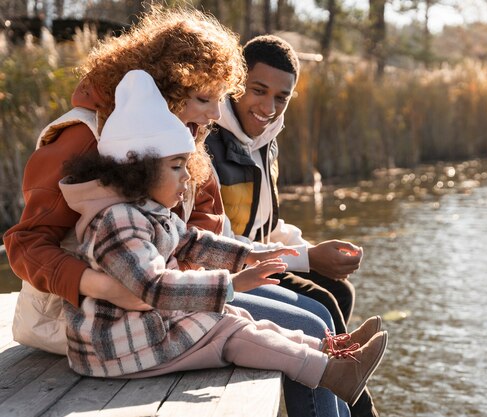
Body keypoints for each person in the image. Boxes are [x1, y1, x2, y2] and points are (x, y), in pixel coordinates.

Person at [2, 8, 351, 416]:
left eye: (218, 99)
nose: (214, 114)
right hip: (95, 319)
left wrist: (246, 261)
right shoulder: (84, 138)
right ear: (163, 87)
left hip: (170, 295)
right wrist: (99, 285)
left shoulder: (184, 135)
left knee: (317, 312)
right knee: (309, 324)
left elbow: (199, 224)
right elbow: (24, 244)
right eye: (203, 99)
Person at [58, 69, 387, 408]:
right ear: (136, 168)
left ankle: (327, 350)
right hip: (117, 348)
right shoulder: (118, 221)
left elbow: (194, 242)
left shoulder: (146, 210)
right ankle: (329, 371)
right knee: (231, 331)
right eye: (176, 167)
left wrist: (250, 256)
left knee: (237, 320)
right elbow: (153, 287)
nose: (187, 178)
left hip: (143, 331)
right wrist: (232, 284)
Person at [205, 34, 379, 417]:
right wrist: (307, 257)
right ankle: (355, 408)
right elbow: (220, 244)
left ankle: (339, 399)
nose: (268, 107)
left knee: (340, 291)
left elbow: (263, 224)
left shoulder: (266, 139)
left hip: (255, 256)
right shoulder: (209, 144)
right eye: (258, 90)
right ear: (236, 81)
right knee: (324, 306)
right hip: (230, 269)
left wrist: (310, 249)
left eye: (281, 97)